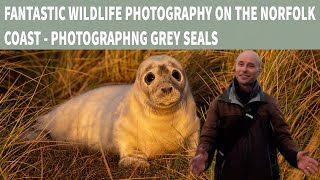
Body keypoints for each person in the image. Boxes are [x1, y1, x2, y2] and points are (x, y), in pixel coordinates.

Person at [190, 50, 319, 179]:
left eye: (250, 66)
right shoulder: (218, 104)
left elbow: (283, 137)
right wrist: (203, 156)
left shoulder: (269, 103)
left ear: (259, 72)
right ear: (235, 68)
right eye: (241, 64)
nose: (244, 69)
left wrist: (295, 156)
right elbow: (208, 137)